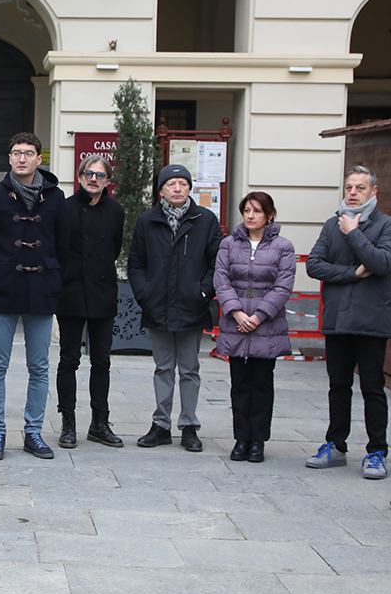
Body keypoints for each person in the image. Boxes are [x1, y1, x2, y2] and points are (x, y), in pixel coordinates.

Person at [304, 166, 391, 479]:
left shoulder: (388, 224)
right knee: (338, 386)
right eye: (349, 187)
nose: (353, 193)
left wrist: (354, 233)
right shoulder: (332, 225)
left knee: (373, 388)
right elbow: (315, 265)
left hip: (371, 320)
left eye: (360, 187)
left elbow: (382, 262)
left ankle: (376, 451)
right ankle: (335, 444)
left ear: (374, 192)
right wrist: (351, 274)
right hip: (337, 319)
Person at [0, 132, 64, 461]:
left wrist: (54, 277)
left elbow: (64, 243)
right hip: (4, 288)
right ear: (10, 158)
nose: (22, 158)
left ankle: (34, 432)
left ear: (39, 159)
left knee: (39, 367)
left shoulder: (55, 198)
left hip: (43, 289)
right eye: (16, 153)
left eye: (28, 153)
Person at [128, 163, 222, 452]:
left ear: (190, 188)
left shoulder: (205, 220)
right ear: (161, 191)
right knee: (163, 367)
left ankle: (189, 425)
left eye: (183, 184)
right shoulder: (147, 221)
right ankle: (161, 424)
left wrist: (203, 291)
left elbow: (217, 261)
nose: (178, 188)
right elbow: (136, 262)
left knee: (190, 368)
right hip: (158, 305)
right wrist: (144, 293)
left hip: (192, 305)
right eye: (171, 184)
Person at [214, 192, 296, 463]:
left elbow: (283, 285)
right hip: (235, 324)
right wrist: (236, 311)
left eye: (257, 211)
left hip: (266, 326)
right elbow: (222, 279)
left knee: (261, 383)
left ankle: (258, 440)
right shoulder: (229, 244)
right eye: (247, 210)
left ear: (269, 215)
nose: (250, 215)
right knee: (239, 384)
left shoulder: (283, 246)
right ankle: (241, 439)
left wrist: (259, 315)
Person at [54, 154, 126, 449]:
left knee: (102, 361)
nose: (93, 179)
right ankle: (68, 422)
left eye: (100, 175)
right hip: (70, 292)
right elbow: (58, 249)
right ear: (80, 177)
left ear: (107, 180)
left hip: (102, 292)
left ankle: (99, 422)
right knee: (69, 360)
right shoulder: (65, 208)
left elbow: (115, 248)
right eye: (88, 174)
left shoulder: (116, 211)